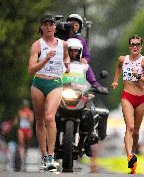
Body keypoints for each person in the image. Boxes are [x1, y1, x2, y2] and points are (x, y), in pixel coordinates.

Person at [28, 14, 70, 171]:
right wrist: (45, 60)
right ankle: (44, 155)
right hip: (38, 83)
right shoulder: (37, 45)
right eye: (45, 24)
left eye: (51, 24)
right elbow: (30, 70)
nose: (48, 27)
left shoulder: (63, 44)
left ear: (55, 27)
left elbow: (65, 57)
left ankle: (51, 156)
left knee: (49, 117)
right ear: (41, 28)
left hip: (55, 83)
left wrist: (67, 65)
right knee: (39, 121)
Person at [111, 35, 144, 173]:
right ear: (129, 46)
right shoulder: (123, 59)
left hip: (141, 98)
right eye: (132, 44)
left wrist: (139, 76)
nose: (135, 47)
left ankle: (133, 153)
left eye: (137, 44)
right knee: (129, 127)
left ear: (141, 46)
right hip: (127, 96)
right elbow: (118, 68)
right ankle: (129, 155)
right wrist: (116, 80)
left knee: (136, 131)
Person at [67, 14, 108, 94]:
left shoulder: (81, 40)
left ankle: (96, 84)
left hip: (77, 66)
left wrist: (85, 59)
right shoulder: (61, 38)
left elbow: (86, 55)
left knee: (87, 67)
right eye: (71, 24)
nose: (73, 26)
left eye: (76, 25)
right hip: (65, 65)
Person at [10, 100, 34, 170]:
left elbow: (31, 121)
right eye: (24, 106)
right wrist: (12, 123)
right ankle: (22, 161)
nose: (25, 107)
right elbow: (16, 121)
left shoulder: (30, 112)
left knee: (26, 145)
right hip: (21, 129)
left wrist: (27, 116)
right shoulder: (20, 112)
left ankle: (24, 156)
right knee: (21, 144)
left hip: (28, 129)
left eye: (26, 106)